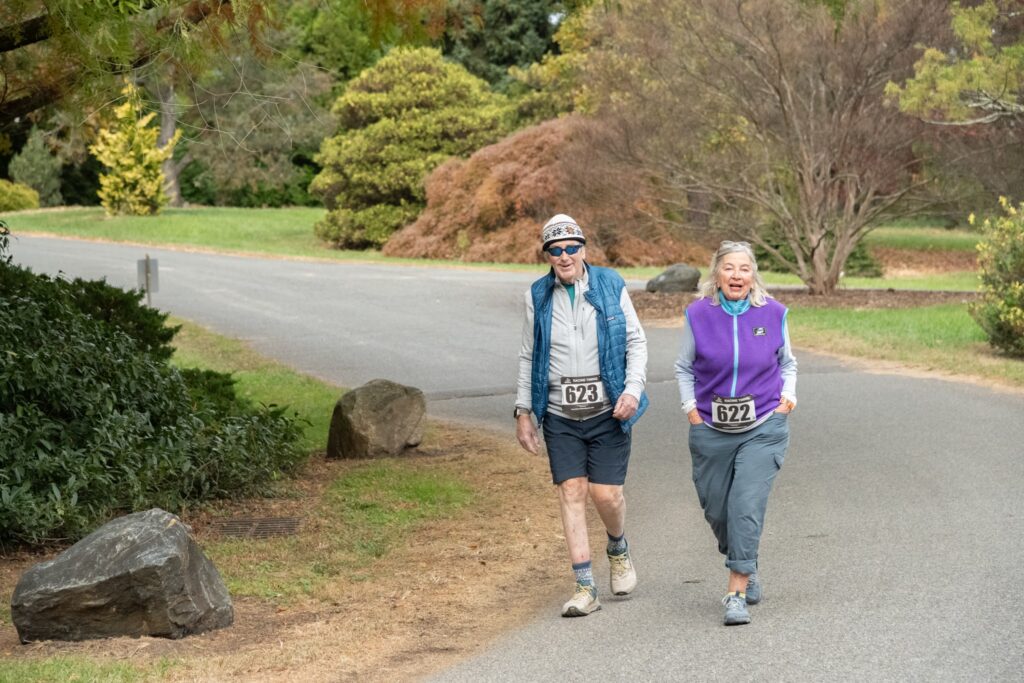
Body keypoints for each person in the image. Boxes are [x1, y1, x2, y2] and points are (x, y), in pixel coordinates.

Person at [514, 213, 649, 617]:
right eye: (555, 250)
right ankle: (584, 586)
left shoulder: (610, 285)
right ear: (547, 256)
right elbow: (528, 356)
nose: (564, 256)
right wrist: (524, 411)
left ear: (584, 249)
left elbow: (635, 341)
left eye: (571, 248)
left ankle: (618, 545)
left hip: (608, 410)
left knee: (605, 495)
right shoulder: (536, 296)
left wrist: (632, 390)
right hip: (559, 414)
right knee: (571, 491)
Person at [674, 240, 796, 626]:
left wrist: (786, 399)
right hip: (710, 427)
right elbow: (684, 367)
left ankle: (735, 592)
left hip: (763, 425)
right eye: (729, 268)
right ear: (716, 273)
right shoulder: (697, 315)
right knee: (718, 511)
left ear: (753, 274)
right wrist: (691, 410)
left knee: (745, 505)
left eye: (744, 269)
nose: (736, 275)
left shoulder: (774, 313)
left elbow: (787, 363)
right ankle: (748, 561)